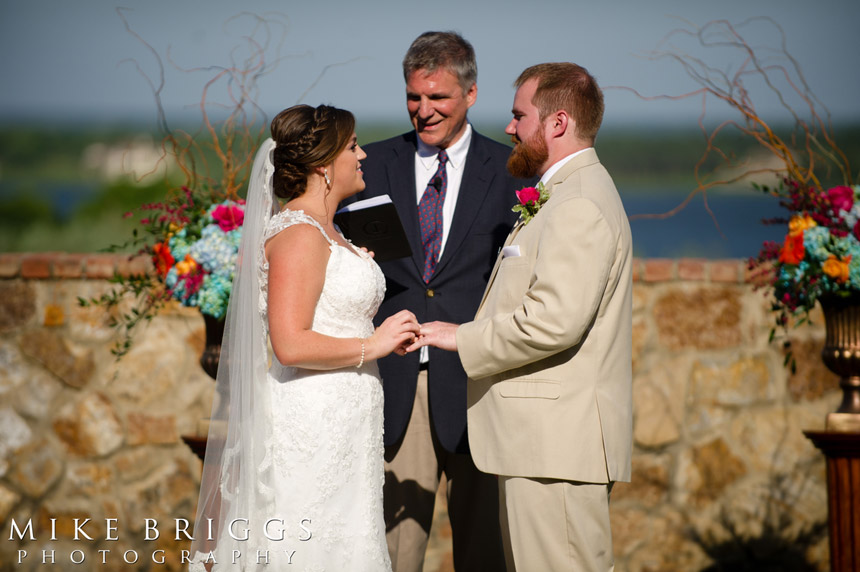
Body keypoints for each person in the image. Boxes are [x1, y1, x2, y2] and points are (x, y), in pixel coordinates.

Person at [409, 63, 633, 571]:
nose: (508, 128)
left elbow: (553, 321)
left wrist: (462, 338)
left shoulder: (578, 203)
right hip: (544, 444)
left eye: (518, 116)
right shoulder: (566, 194)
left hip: (555, 447)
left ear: (556, 123)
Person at [190, 104, 419, 571]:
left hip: (346, 424)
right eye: (352, 146)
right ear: (322, 164)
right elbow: (289, 343)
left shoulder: (325, 231)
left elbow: (330, 313)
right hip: (313, 424)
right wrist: (372, 345)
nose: (363, 156)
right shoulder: (299, 233)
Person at [347, 31, 526, 572]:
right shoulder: (368, 165)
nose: (423, 111)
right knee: (392, 556)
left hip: (482, 385)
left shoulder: (516, 170)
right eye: (413, 98)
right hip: (395, 387)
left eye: (438, 98)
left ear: (471, 94)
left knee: (487, 554)